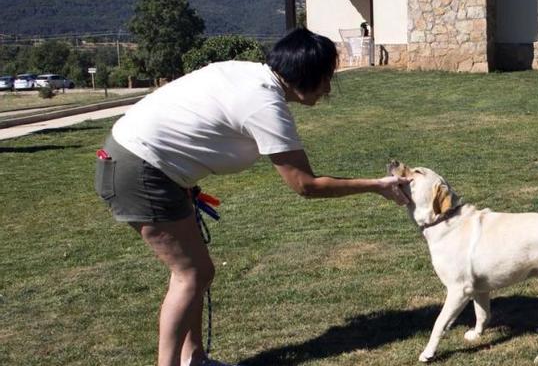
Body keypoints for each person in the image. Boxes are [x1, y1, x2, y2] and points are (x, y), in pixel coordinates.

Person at [94, 28, 411, 366]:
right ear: (306, 75)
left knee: (191, 271)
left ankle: (193, 358)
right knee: (193, 273)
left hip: (147, 167)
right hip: (140, 171)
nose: (329, 88)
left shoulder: (249, 74)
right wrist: (377, 185)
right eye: (325, 78)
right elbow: (305, 184)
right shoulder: (264, 103)